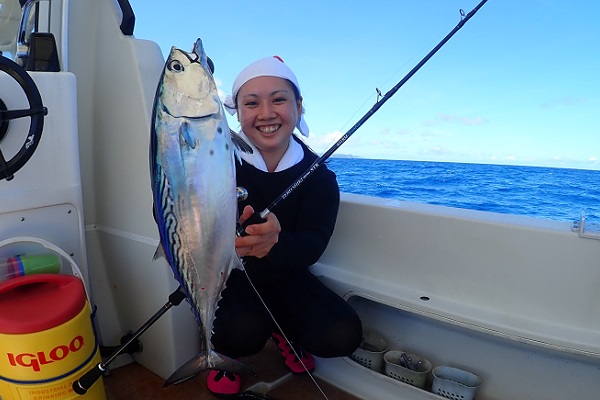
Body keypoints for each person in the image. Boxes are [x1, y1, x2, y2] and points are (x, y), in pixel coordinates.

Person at [207, 56, 363, 396]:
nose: (266, 113)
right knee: (243, 331)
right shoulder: (210, 157)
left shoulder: (319, 176)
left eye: (278, 99)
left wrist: (275, 244)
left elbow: (313, 242)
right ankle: (225, 351)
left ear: (298, 106)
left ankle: (283, 332)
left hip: (287, 273)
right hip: (228, 274)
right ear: (237, 112)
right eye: (252, 103)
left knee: (342, 334)